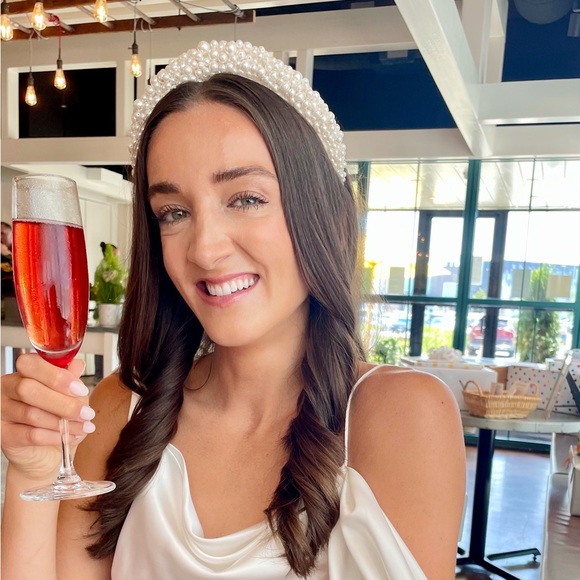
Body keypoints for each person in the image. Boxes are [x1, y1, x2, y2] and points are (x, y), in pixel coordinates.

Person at [1, 40, 466, 579]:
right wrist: (31, 471)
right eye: (173, 212)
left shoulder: (401, 417)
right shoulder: (119, 409)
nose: (204, 249)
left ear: (328, 215)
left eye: (246, 199)